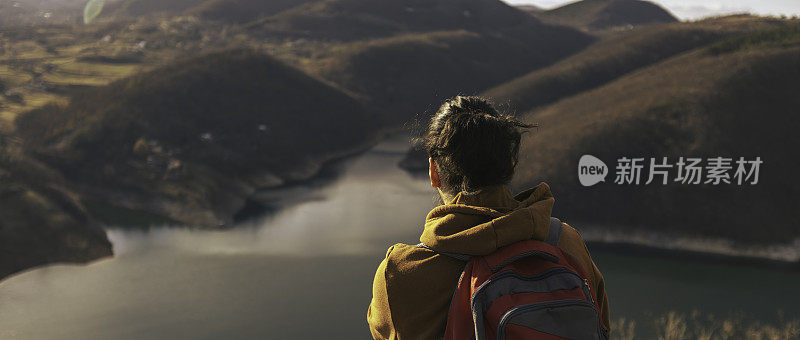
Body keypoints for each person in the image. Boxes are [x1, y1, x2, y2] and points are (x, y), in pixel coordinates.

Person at [367, 96, 610, 339]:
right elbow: (602, 326)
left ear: (433, 172)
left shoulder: (401, 272)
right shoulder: (566, 243)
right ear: (510, 167)